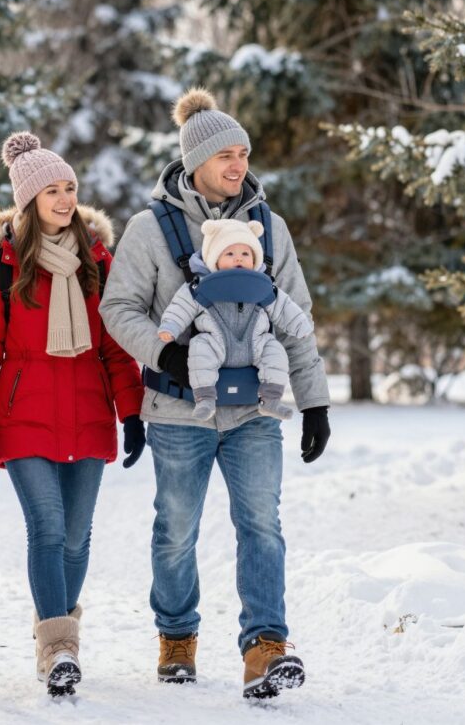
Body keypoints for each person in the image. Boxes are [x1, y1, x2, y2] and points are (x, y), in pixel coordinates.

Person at [99, 88, 332, 700]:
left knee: (263, 525)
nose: (239, 164)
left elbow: (296, 318)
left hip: (257, 408)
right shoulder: (150, 229)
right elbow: (116, 307)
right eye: (226, 154)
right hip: (179, 409)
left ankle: (266, 647)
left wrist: (315, 403)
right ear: (196, 159)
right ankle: (177, 636)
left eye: (244, 152)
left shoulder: (270, 228)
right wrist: (163, 351)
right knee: (176, 527)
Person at [0, 132, 144, 697]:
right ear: (28, 200)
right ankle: (58, 648)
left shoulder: (98, 260)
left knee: (76, 536)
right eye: (52, 191)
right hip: (23, 416)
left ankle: (57, 633)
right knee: (46, 529)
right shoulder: (1, 265)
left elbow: (115, 344)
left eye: (70, 188)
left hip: (89, 411)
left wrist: (132, 411)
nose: (65, 200)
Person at [156, 218, 314, 421]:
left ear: (255, 258)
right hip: (215, 340)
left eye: (245, 254)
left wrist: (300, 325)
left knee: (275, 352)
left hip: (256, 341)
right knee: (199, 350)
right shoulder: (200, 285)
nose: (238, 259)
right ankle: (205, 398)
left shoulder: (263, 286)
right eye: (230, 254)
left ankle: (271, 399)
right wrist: (171, 326)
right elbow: (181, 306)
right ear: (214, 258)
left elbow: (283, 306)